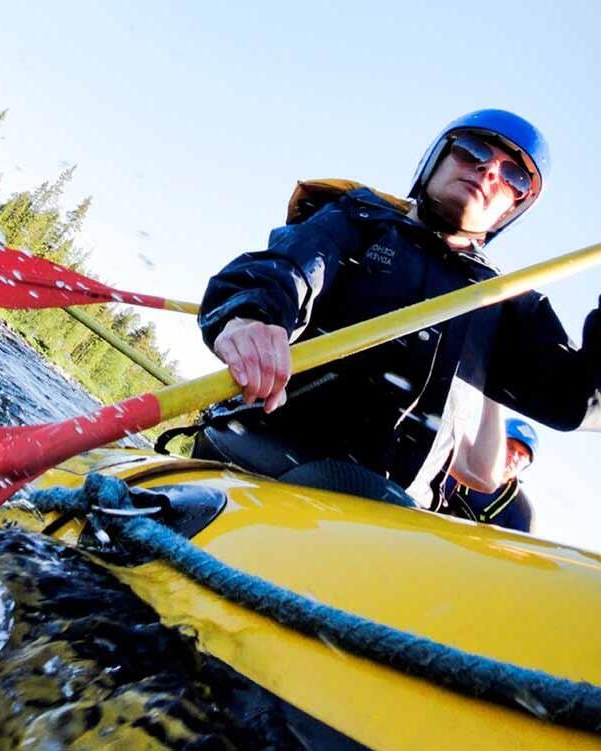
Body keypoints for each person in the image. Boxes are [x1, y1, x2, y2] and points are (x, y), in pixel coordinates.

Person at [193, 108, 601, 505]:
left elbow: (578, 400)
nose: (488, 171)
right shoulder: (357, 220)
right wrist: (251, 316)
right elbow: (288, 269)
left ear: (511, 209)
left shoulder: (504, 302)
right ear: (435, 160)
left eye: (513, 176)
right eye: (473, 151)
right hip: (260, 463)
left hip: (390, 514)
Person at [440, 417, 538, 532]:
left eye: (522, 455)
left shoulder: (522, 513)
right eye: (510, 446)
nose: (514, 457)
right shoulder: (452, 464)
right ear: (493, 442)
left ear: (526, 465)